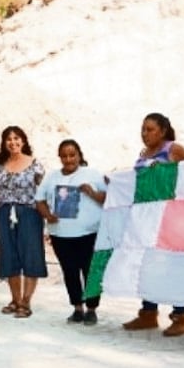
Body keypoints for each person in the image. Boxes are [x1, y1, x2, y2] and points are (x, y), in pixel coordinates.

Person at [122, 113, 184, 335]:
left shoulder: (174, 150)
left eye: (150, 129)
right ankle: (148, 313)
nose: (145, 134)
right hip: (147, 219)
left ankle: (181, 317)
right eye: (143, 129)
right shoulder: (144, 154)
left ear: (163, 131)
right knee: (149, 265)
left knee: (173, 266)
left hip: (171, 217)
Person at [35, 139, 106, 325]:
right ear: (59, 157)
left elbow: (108, 198)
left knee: (90, 271)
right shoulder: (52, 176)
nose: (68, 159)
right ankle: (77, 308)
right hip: (61, 234)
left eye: (72, 155)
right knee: (70, 271)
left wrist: (92, 192)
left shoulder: (92, 174)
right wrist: (48, 215)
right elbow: (39, 200)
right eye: (64, 156)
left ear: (79, 155)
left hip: (89, 233)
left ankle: (92, 309)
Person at [0, 126, 46, 318]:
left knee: (31, 254)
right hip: (4, 213)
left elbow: (45, 191)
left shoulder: (35, 165)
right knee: (9, 254)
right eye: (8, 139)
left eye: (16, 138)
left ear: (23, 141)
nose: (13, 142)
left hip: (29, 213)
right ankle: (15, 299)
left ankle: (26, 301)